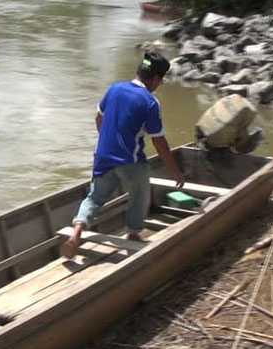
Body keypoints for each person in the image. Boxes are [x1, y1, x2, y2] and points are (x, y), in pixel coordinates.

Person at [61, 51, 185, 259]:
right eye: (160, 81)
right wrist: (175, 172)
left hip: (103, 157)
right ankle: (134, 234)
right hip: (130, 161)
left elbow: (99, 119)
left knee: (95, 197)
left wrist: (109, 141)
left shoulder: (115, 89)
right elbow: (159, 142)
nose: (159, 85)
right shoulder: (150, 102)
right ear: (155, 78)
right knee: (140, 194)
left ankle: (76, 232)